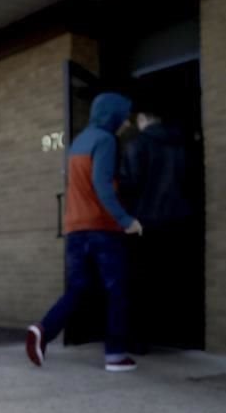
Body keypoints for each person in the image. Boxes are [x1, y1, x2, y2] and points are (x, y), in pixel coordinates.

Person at [26, 93, 142, 372]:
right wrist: (126, 220)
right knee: (117, 290)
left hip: (75, 229)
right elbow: (102, 186)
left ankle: (43, 330)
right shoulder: (105, 140)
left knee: (78, 288)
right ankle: (115, 355)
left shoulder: (78, 142)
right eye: (123, 117)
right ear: (112, 115)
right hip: (101, 228)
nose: (126, 123)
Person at [119, 107, 199, 351]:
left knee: (140, 282)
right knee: (173, 279)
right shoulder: (182, 143)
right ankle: (177, 334)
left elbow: (128, 184)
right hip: (179, 219)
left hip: (145, 221)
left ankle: (140, 340)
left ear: (142, 118)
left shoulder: (137, 144)